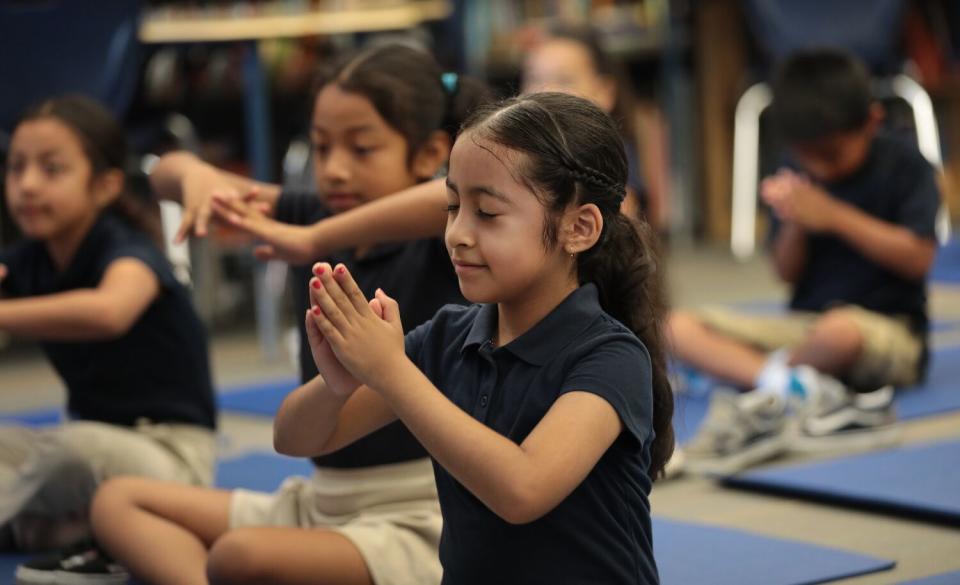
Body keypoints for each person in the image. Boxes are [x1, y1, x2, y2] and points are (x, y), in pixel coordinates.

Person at [89, 45, 490, 585]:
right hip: (319, 502)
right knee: (118, 501)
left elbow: (447, 191)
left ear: (427, 155)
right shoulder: (313, 210)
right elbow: (166, 171)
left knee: (242, 558)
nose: (334, 169)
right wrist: (196, 181)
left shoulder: (445, 237)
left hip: (419, 515)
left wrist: (317, 237)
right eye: (321, 148)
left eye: (362, 148)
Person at [277, 92, 674, 584]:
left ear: (579, 227)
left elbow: (522, 490)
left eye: (486, 213)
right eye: (451, 206)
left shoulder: (610, 356)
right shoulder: (447, 336)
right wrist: (337, 385)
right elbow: (297, 438)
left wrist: (390, 371)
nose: (457, 233)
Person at [669, 48, 942, 474]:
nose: (818, 166)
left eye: (831, 154)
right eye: (806, 154)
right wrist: (796, 224)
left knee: (841, 331)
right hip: (805, 329)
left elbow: (918, 260)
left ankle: (760, 382)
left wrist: (834, 217)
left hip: (889, 331)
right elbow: (785, 272)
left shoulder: (906, 165)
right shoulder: (797, 169)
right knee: (674, 326)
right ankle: (784, 385)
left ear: (872, 121)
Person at [0, 95, 216, 568]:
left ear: (105, 186)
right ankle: (56, 528)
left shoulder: (128, 249)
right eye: (17, 168)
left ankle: (43, 524)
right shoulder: (30, 257)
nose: (28, 185)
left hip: (169, 455)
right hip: (93, 443)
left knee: (70, 450)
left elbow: (110, 312)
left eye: (51, 169)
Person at [521, 24, 667, 231]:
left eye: (564, 80)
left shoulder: (611, 161)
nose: (545, 91)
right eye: (534, 78)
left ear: (604, 91)